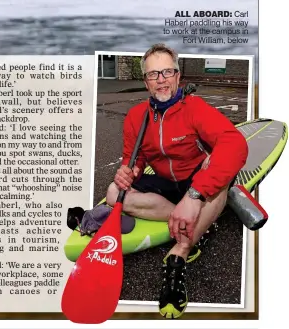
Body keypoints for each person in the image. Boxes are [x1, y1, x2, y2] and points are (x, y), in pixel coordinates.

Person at [105, 43, 248, 319]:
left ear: (178, 76)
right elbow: (133, 158)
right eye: (153, 74)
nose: (161, 80)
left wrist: (194, 197)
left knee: (220, 173)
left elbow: (235, 144)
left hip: (196, 182)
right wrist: (128, 170)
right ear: (145, 81)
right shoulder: (136, 117)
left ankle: (180, 252)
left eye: (167, 72)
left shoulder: (195, 108)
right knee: (113, 192)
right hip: (166, 184)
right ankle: (203, 223)